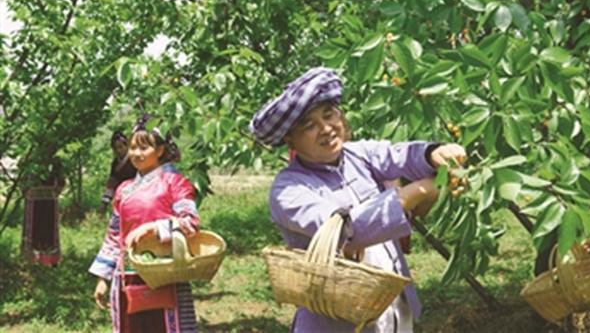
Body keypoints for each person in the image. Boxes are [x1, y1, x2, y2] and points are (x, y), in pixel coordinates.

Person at [250, 67, 466, 333]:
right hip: (337, 324)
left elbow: (398, 155)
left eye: (329, 115)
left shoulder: (358, 155)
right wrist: (419, 191)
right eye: (309, 125)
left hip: (394, 313)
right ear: (290, 140)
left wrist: (435, 153)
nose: (326, 129)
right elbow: (347, 228)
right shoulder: (288, 189)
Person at [90, 120, 199, 333]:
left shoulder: (175, 183)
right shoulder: (124, 189)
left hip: (165, 272)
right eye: (132, 148)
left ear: (159, 150)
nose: (136, 153)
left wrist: (155, 229)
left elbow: (190, 222)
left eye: (144, 147)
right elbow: (114, 235)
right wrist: (103, 277)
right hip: (127, 275)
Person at [100, 130, 137, 213]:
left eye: (120, 147)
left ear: (126, 146)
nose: (118, 150)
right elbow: (112, 182)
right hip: (122, 197)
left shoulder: (135, 159)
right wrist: (104, 203)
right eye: (115, 148)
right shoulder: (115, 164)